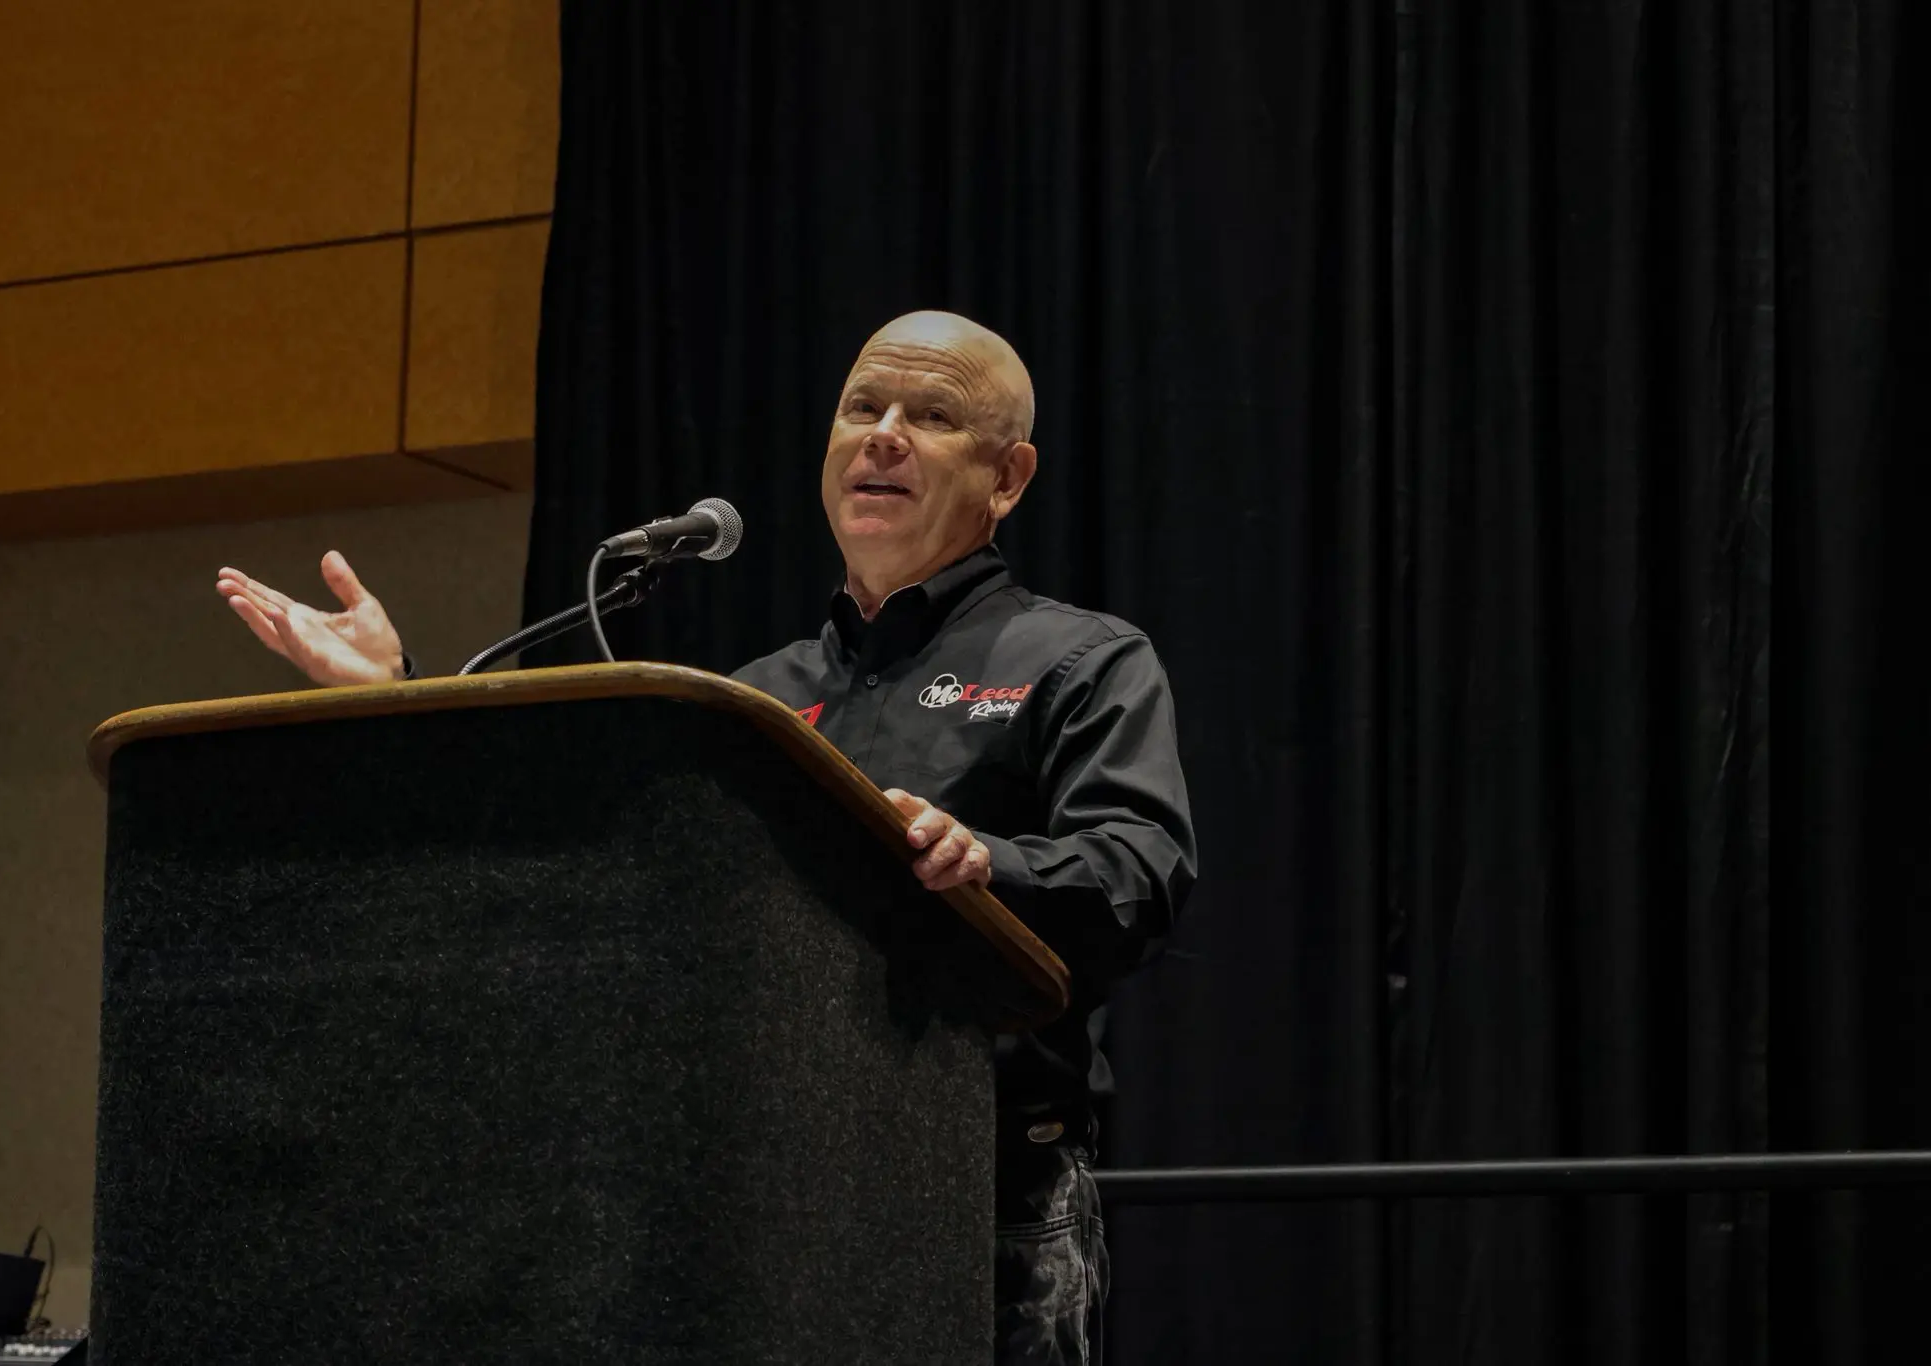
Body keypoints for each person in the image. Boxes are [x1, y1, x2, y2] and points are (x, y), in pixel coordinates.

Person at [215, 310, 1196, 1366]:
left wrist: (986, 863)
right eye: (862, 407)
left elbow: (1137, 869)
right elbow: (584, 874)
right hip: (756, 1201)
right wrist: (394, 696)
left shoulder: (1081, 660)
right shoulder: (751, 700)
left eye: (932, 416)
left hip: (983, 1194)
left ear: (1006, 478)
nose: (883, 435)